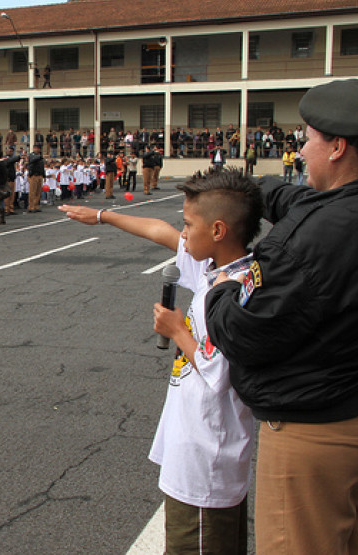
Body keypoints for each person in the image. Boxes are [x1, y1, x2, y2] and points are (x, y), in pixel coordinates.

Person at [204, 79, 358, 554]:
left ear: (338, 146)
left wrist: (220, 288)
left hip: (320, 431)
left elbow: (244, 336)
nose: (301, 149)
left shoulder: (308, 244)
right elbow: (305, 203)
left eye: (308, 138)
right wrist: (256, 190)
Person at [59, 167, 261, 555]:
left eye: (188, 224)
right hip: (198, 447)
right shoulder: (219, 268)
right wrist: (104, 216)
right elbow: (158, 231)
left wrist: (176, 331)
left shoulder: (231, 292)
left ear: (218, 230)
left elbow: (220, 370)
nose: (181, 234)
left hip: (207, 456)